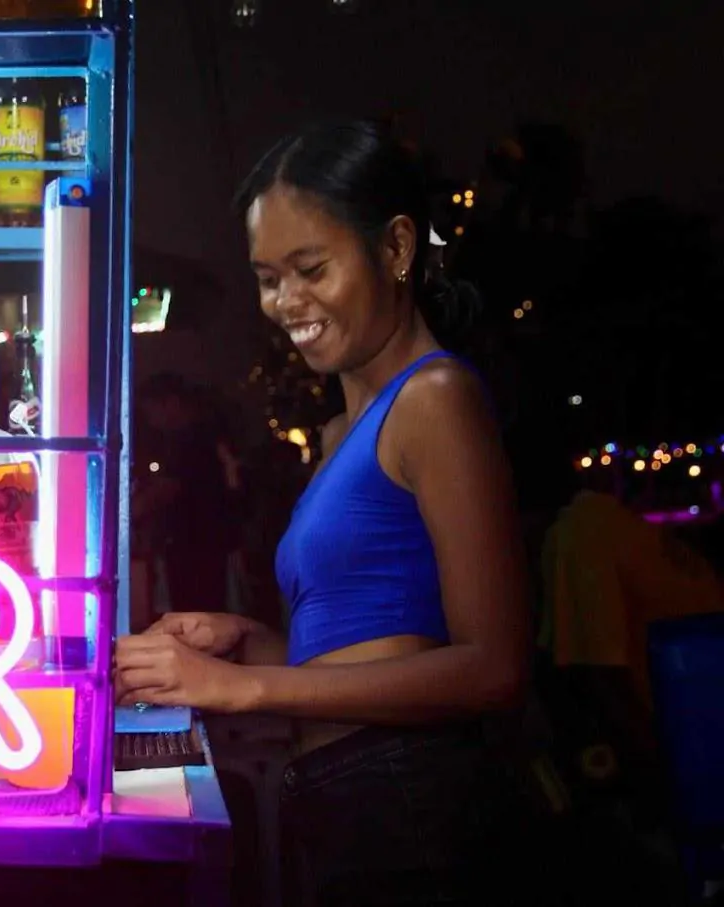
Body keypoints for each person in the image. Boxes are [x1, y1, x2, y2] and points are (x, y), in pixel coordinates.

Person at [115, 120, 543, 906]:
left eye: (311, 268)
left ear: (396, 248)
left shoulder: (435, 397)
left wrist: (245, 687)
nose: (286, 302)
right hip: (346, 801)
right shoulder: (343, 432)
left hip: (414, 804)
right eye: (268, 277)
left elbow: (494, 666)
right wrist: (248, 641)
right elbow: (370, 650)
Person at [132, 373, 244, 618]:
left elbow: (164, 490)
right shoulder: (205, 435)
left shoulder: (189, 440)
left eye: (151, 411)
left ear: (171, 403)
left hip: (196, 548)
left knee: (196, 616)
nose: (151, 421)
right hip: (206, 544)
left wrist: (126, 513)